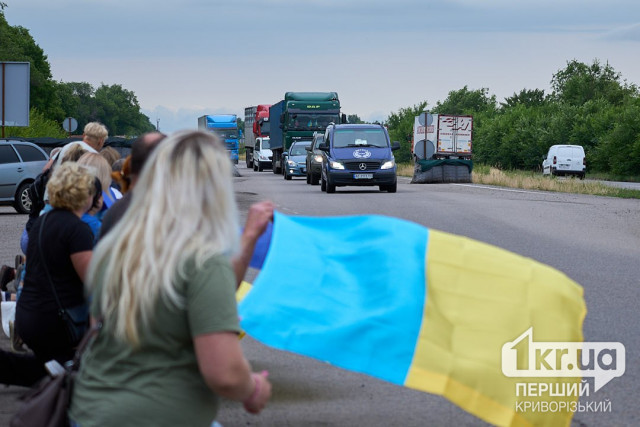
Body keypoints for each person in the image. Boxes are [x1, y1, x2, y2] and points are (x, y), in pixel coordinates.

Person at [70, 130, 272, 426]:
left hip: (91, 411)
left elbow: (102, 329)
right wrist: (254, 388)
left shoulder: (117, 245)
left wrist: (249, 240)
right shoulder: (202, 259)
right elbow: (224, 374)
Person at [0, 163, 96, 387]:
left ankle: (8, 366)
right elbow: (94, 281)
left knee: (51, 370)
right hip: (57, 321)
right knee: (75, 373)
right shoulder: (76, 229)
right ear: (84, 193)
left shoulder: (44, 221)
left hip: (30, 314)